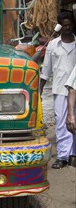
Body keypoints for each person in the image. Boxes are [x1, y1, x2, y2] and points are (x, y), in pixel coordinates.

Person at [40, 11, 76, 169]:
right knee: (62, 124)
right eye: (65, 25)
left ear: (73, 25)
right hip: (61, 89)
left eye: (70, 25)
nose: (67, 28)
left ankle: (72, 154)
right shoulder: (53, 45)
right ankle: (62, 156)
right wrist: (39, 90)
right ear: (61, 27)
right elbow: (46, 70)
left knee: (74, 122)